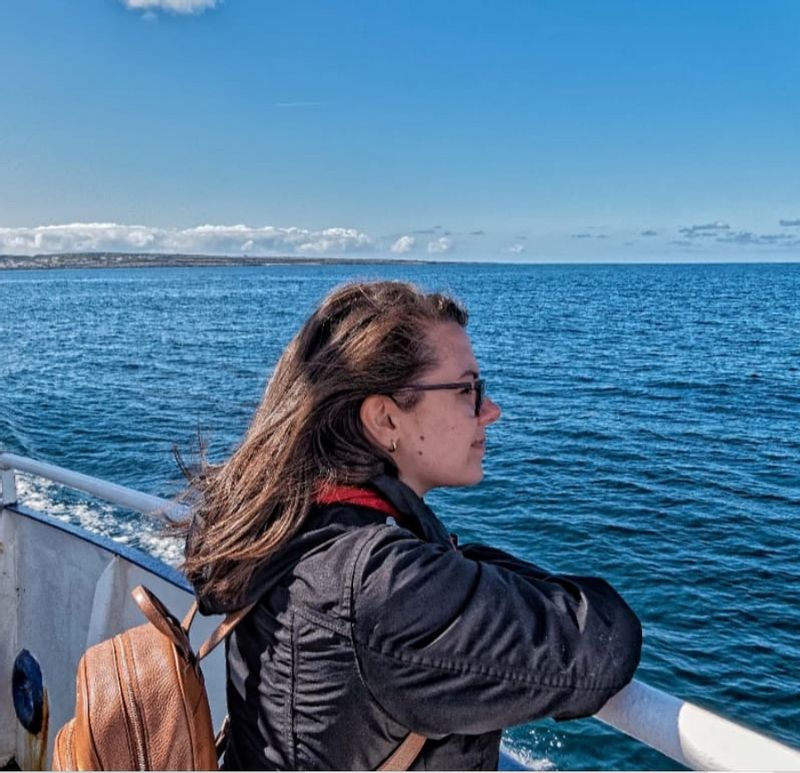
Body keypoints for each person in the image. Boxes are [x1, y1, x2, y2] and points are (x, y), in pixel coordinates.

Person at [181, 280, 641, 770]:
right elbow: (601, 643)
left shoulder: (284, 521)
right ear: (385, 420)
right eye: (467, 389)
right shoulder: (381, 585)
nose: (490, 411)